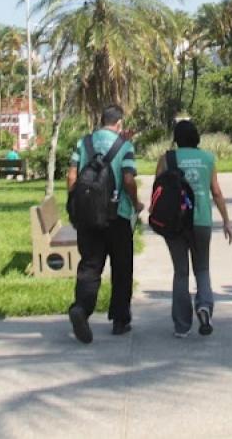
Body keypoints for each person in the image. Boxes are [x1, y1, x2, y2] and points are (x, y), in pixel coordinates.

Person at [67, 104, 142, 344]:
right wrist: (136, 202)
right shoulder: (125, 146)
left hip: (89, 218)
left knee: (90, 266)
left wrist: (75, 204)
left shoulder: (83, 143)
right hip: (117, 216)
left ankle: (81, 308)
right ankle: (120, 320)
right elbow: (128, 178)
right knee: (121, 268)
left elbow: (71, 177)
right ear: (119, 123)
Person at [156, 118, 232, 338]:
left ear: (176, 139)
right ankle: (205, 306)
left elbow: (158, 189)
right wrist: (226, 221)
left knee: (180, 272)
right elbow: (216, 192)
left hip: (175, 223)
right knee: (202, 268)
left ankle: (181, 325)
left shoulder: (167, 158)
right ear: (197, 137)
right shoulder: (208, 158)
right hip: (201, 221)